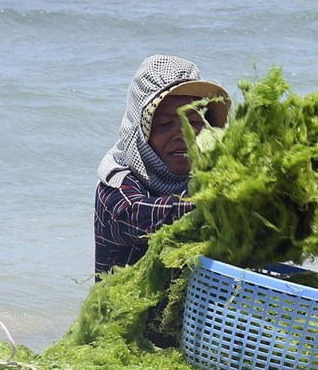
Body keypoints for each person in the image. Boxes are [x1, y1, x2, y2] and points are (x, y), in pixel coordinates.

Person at [94, 54, 230, 276]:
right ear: (140, 132)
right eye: (165, 124)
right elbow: (143, 215)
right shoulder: (117, 187)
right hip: (129, 308)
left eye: (194, 122)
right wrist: (228, 205)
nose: (183, 134)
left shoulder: (209, 176)